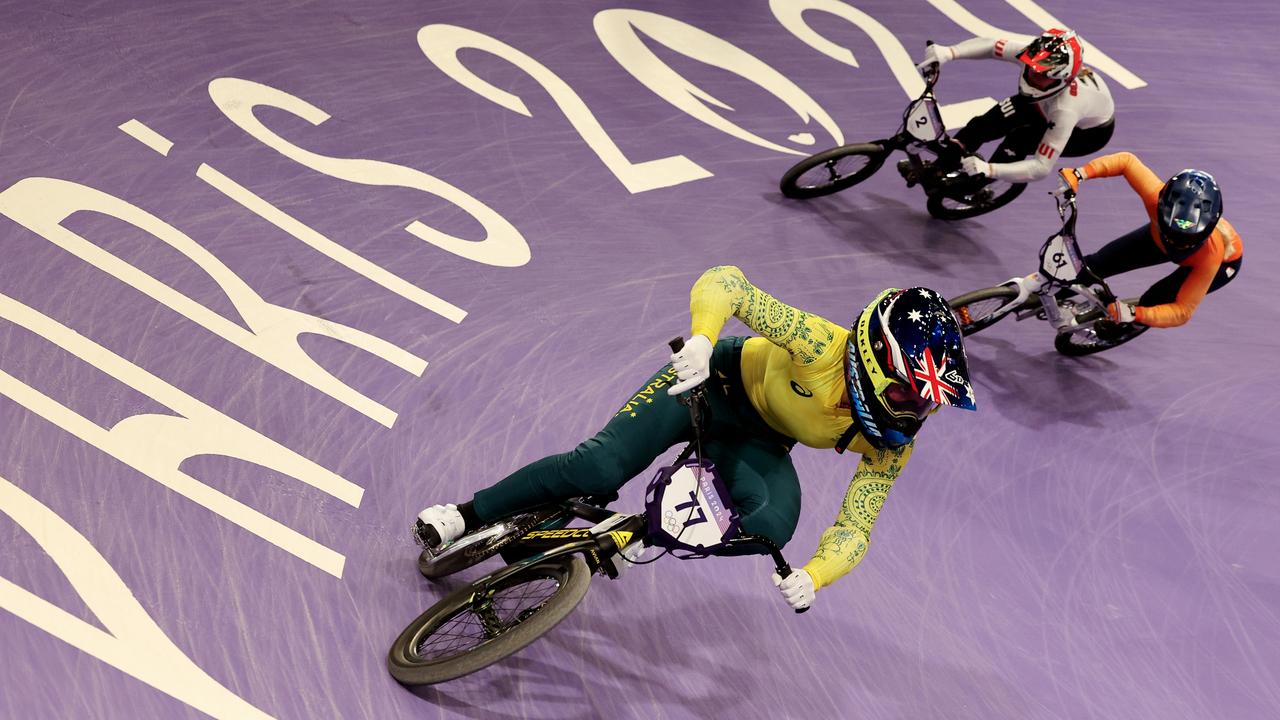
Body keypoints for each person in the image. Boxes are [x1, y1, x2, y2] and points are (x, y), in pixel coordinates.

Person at [415, 266, 977, 611]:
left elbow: (857, 524)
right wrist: (705, 341)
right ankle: (467, 513)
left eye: (928, 401)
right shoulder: (820, 344)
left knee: (772, 525)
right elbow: (726, 282)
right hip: (708, 385)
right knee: (599, 468)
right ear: (875, 361)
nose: (917, 411)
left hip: (760, 440)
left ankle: (639, 529)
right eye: (911, 393)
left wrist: (815, 575)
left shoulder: (892, 442)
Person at [1054, 152, 1241, 327]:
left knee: (1155, 299)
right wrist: (1080, 173)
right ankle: (1050, 293)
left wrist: (1137, 314)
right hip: (1156, 237)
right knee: (1096, 265)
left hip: (1221, 264)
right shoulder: (1155, 197)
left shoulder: (1211, 255)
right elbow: (1126, 162)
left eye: (1185, 240)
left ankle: (1124, 328)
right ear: (1161, 209)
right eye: (1172, 235)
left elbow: (1182, 311)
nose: (1175, 244)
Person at [913, 28, 1115, 185]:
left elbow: (1041, 167)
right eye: (1033, 69)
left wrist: (990, 169)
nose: (1034, 76)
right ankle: (943, 162)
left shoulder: (1065, 110)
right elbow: (992, 46)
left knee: (1018, 141)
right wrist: (949, 52)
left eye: (1043, 75)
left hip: (1087, 134)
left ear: (1060, 79)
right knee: (982, 125)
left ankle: (978, 185)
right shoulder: (1036, 57)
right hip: (1042, 103)